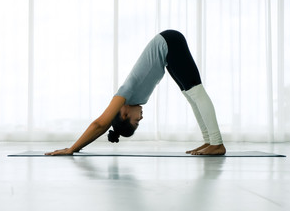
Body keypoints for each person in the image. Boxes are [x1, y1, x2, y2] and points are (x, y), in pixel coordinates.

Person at [46, 30, 226, 156]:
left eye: (136, 121)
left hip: (169, 42)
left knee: (195, 91)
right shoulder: (134, 100)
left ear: (124, 113)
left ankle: (217, 144)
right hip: (167, 51)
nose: (140, 119)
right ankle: (210, 141)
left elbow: (100, 124)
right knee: (190, 94)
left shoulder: (124, 94)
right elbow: (106, 127)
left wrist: (72, 148)